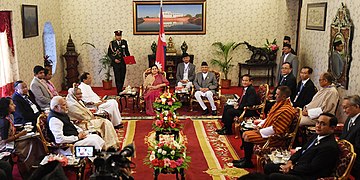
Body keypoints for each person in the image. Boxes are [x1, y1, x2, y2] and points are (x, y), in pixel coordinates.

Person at [233, 86, 296, 168]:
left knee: (247, 136)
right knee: (245, 133)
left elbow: (277, 129)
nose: (274, 96)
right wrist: (259, 125)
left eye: (277, 94)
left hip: (275, 138)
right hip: (267, 131)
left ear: (283, 97)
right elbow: (269, 118)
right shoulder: (279, 104)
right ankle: (246, 159)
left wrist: (260, 131)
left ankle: (248, 162)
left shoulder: (286, 110)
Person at [264, 113, 339, 180]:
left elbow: (312, 168)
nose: (318, 126)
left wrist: (290, 170)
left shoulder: (329, 146)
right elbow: (301, 150)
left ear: (332, 128)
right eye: (317, 122)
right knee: (269, 167)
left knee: (273, 176)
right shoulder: (316, 135)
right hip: (298, 166)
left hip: (307, 176)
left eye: (323, 124)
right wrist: (290, 162)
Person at [339, 95, 360, 179]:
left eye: (346, 107)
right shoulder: (350, 118)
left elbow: (358, 148)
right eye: (343, 108)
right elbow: (343, 137)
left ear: (356, 106)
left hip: (355, 160)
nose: (344, 111)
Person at [107, 30, 130, 94]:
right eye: (117, 36)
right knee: (117, 76)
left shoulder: (124, 42)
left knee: (123, 76)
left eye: (120, 35)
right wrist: (114, 59)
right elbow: (109, 53)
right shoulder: (112, 43)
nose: (119, 37)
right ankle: (118, 90)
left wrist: (129, 59)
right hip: (116, 63)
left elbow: (127, 52)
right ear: (115, 36)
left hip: (123, 62)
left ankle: (121, 88)